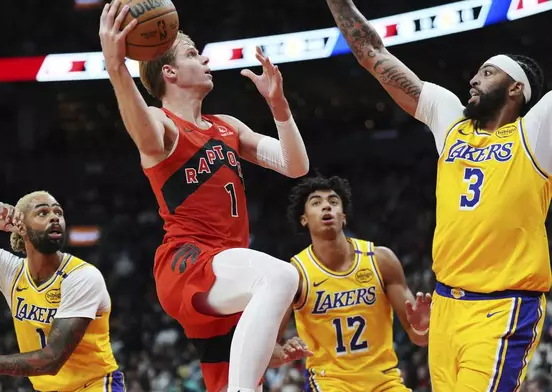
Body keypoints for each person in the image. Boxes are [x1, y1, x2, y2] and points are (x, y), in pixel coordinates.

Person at [322, 0, 552, 390]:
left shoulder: (535, 133)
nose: (473, 80)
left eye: (487, 72)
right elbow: (373, 54)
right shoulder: (452, 122)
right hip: (445, 306)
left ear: (516, 88)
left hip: (501, 307)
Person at [99, 1, 310, 391]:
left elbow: (294, 166)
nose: (206, 58)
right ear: (170, 71)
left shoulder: (226, 126)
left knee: (242, 374)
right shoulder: (164, 124)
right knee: (281, 276)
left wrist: (279, 107)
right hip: (189, 261)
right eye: (193, 54)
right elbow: (142, 131)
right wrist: (116, 68)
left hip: (228, 275)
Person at [0, 191, 123, 392]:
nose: (55, 217)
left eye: (58, 213)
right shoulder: (10, 270)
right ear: (22, 227)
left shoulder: (82, 277)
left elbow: (51, 360)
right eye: (42, 213)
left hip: (94, 385)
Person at [280, 174, 430, 391]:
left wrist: (422, 327)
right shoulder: (295, 274)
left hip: (384, 382)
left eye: (333, 202)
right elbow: (271, 346)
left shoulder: (381, 260)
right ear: (304, 218)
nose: (326, 207)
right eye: (316, 203)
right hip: (330, 383)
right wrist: (285, 350)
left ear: (343, 217)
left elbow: (419, 338)